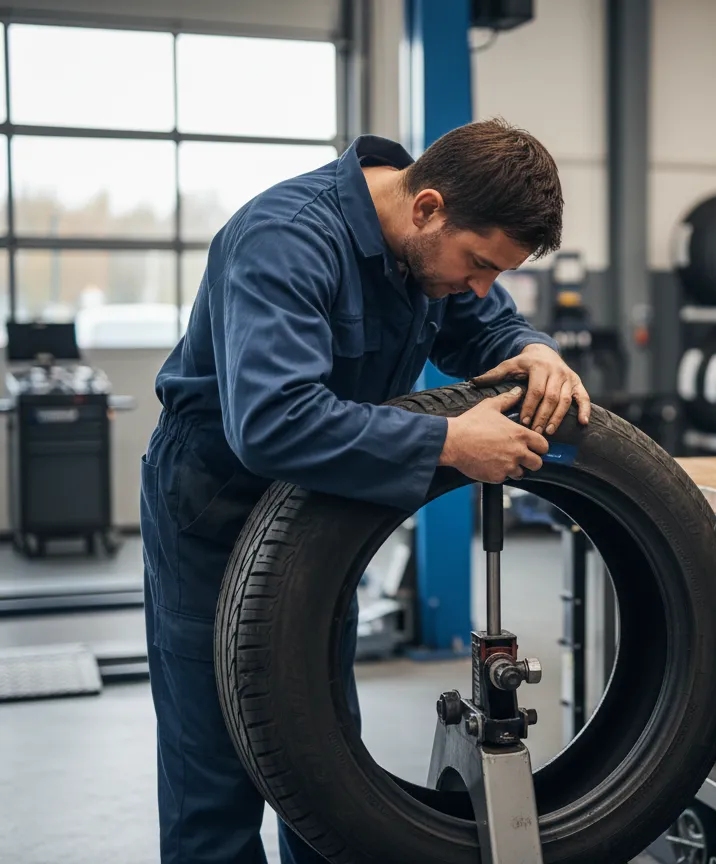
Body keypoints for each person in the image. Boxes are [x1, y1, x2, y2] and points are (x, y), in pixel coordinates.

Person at [140, 118, 590, 863]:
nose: (480, 287)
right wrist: (448, 441)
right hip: (215, 504)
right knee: (213, 760)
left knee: (315, 752)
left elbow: (481, 325)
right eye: (478, 264)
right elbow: (273, 421)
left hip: (319, 510)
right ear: (427, 208)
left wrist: (531, 348)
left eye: (496, 275)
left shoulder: (428, 248)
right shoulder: (283, 241)